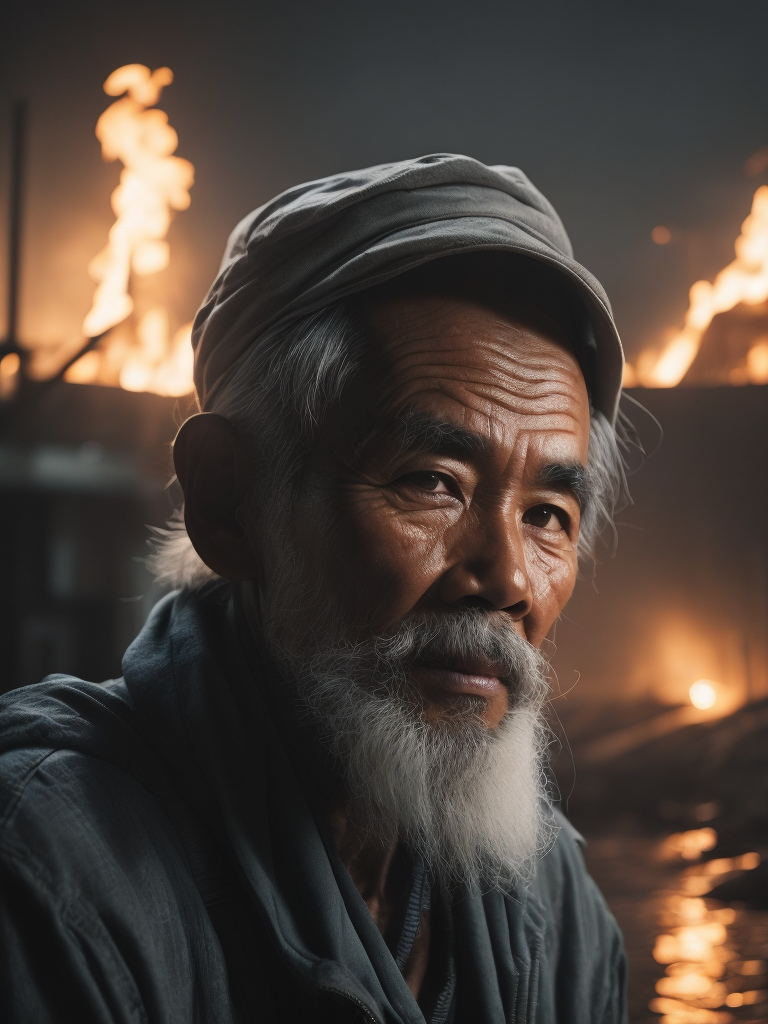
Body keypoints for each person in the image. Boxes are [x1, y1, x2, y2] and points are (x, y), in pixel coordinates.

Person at [0, 154, 629, 1023]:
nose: (510, 578)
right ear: (228, 503)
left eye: (549, 513)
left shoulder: (549, 905)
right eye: (432, 480)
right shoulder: (50, 876)